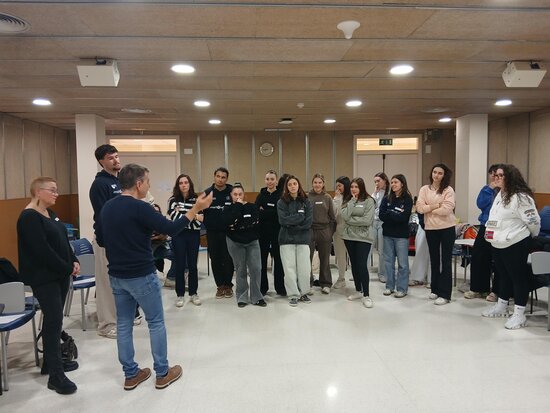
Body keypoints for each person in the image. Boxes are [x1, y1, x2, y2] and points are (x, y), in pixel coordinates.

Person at [100, 164, 212, 390]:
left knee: (124, 324)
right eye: (148, 182)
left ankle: (131, 374)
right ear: (138, 184)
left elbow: (102, 239)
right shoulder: (141, 208)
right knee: (156, 322)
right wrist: (196, 208)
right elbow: (171, 228)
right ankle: (162, 372)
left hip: (117, 276)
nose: (149, 186)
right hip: (141, 274)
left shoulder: (107, 207)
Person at [17, 177, 79, 394]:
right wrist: (66, 267)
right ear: (37, 191)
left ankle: (50, 363)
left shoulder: (50, 213)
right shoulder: (29, 217)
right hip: (44, 278)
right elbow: (42, 251)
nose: (56, 194)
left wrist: (73, 259)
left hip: (60, 274)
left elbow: (63, 240)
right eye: (52, 190)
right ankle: (55, 376)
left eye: (57, 190)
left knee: (54, 320)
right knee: (53, 322)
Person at [481, 164, 541, 329]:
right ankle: (502, 306)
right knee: (503, 276)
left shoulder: (521, 197)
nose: (497, 178)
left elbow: (534, 221)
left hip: (516, 242)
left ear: (510, 177)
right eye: (496, 175)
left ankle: (519, 314)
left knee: (517, 278)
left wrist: (530, 237)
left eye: (501, 175)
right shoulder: (500, 194)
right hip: (498, 242)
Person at [89, 144, 121, 339]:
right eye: (111, 158)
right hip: (105, 241)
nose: (116, 160)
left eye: (117, 156)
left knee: (117, 283)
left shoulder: (118, 181)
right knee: (105, 285)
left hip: (119, 241)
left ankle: (118, 318)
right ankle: (106, 325)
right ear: (101, 161)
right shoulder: (100, 184)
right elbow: (103, 217)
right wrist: (106, 242)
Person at [416, 163, 456, 306]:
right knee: (434, 259)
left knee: (446, 261)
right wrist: (436, 205)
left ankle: (445, 294)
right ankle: (435, 289)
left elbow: (447, 209)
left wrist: (429, 209)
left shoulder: (448, 190)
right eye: (434, 172)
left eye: (440, 173)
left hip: (447, 228)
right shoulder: (424, 189)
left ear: (444, 175)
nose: (436, 175)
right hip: (431, 228)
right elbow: (419, 208)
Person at [464, 164, 502, 301]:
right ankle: (478, 289)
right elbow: (481, 204)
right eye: (492, 174)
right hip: (486, 226)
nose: (495, 177)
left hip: (501, 229)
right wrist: (490, 188)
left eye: (498, 175)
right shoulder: (487, 189)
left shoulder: (507, 191)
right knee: (479, 257)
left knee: (499, 260)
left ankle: (497, 291)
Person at [224, 184, 266, 307]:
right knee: (240, 269)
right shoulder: (228, 209)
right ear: (231, 196)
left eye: (240, 194)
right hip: (235, 242)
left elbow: (254, 222)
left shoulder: (252, 207)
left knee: (256, 268)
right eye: (235, 194)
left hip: (252, 241)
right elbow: (229, 221)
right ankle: (242, 297)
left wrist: (237, 225)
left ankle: (257, 297)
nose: (238, 196)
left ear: (244, 195)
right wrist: (238, 207)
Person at [167, 174, 203, 307]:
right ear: (178, 185)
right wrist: (192, 214)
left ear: (190, 184)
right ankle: (180, 295)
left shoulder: (197, 199)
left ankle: (193, 293)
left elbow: (201, 219)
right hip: (178, 235)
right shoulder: (172, 200)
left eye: (186, 182)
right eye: (181, 183)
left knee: (193, 265)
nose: (183, 185)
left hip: (193, 235)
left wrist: (183, 215)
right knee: (180, 265)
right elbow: (174, 218)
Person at [277, 175, 313, 307]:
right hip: (286, 240)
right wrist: (299, 216)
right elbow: (283, 220)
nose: (292, 186)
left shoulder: (306, 202)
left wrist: (292, 223)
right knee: (289, 269)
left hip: (303, 239)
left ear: (299, 185)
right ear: (286, 187)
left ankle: (304, 293)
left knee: (304, 268)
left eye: (295, 184)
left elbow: (308, 222)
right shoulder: (281, 202)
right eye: (290, 184)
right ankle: (293, 295)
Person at [341, 178, 376, 308]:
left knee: (361, 265)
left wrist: (351, 220)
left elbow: (367, 220)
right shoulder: (348, 200)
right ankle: (358, 290)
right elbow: (344, 216)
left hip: (363, 237)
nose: (353, 189)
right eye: (352, 187)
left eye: (356, 187)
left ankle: (366, 295)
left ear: (361, 187)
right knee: (354, 265)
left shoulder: (369, 201)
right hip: (349, 237)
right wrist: (352, 201)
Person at [379, 174, 413, 298]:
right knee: (388, 262)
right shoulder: (386, 198)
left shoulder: (407, 199)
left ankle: (402, 289)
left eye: (396, 182)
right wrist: (395, 213)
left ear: (402, 184)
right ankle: (389, 287)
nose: (393, 184)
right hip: (388, 234)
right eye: (392, 182)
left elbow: (404, 218)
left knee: (402, 264)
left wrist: (390, 212)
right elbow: (381, 215)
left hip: (401, 236)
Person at [202, 167, 234, 299]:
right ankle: (220, 286)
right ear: (214, 177)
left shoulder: (232, 192)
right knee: (215, 259)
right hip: (212, 232)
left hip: (228, 232)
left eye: (223, 177)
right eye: (218, 176)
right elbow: (200, 212)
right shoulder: (207, 193)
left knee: (228, 259)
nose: (220, 179)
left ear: (227, 179)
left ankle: (228, 285)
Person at [255, 170, 286, 296]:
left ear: (276, 181)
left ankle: (280, 287)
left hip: (278, 233)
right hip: (262, 233)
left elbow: (281, 214)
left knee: (279, 261)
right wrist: (271, 212)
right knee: (262, 261)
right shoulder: (260, 196)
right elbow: (257, 213)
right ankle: (263, 288)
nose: (270, 181)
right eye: (267, 179)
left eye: (272, 179)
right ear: (265, 180)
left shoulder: (282, 195)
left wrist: (265, 211)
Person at [308, 173, 336, 294]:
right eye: (315, 182)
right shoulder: (307, 196)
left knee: (324, 259)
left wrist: (329, 233)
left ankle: (326, 283)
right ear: (312, 183)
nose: (317, 185)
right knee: (307, 258)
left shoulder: (327, 197)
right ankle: (308, 283)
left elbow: (332, 217)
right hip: (310, 230)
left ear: (323, 184)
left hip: (324, 230)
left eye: (320, 182)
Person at [332, 176, 351, 289]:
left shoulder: (352, 198)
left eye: (340, 185)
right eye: (336, 186)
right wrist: (337, 199)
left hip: (351, 231)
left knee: (354, 256)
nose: (337, 188)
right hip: (338, 230)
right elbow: (334, 214)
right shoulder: (336, 198)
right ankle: (341, 278)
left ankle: (357, 278)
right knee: (340, 255)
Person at [372, 172, 389, 283]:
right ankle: (362, 272)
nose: (377, 183)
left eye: (378, 181)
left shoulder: (389, 194)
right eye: (375, 181)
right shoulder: (375, 193)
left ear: (385, 181)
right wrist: (374, 193)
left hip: (383, 223)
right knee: (368, 248)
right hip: (373, 222)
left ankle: (382, 273)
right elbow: (372, 206)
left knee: (382, 250)